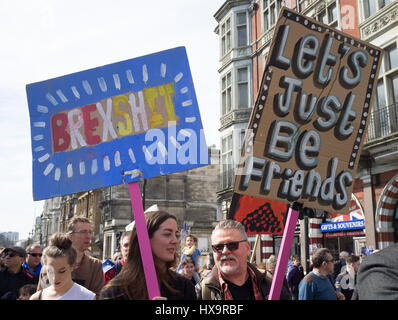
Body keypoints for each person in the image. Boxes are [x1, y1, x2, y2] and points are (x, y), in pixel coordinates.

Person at [99, 210, 196, 300]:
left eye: (176, 235)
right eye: (167, 234)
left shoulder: (184, 287)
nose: (175, 241)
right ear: (145, 239)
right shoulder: (114, 292)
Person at [198, 219, 291, 300]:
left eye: (232, 245)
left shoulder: (272, 283)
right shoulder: (201, 292)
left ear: (247, 248)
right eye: (218, 247)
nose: (225, 251)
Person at [38, 217, 104, 296]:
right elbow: (41, 295)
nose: (88, 236)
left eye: (90, 232)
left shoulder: (95, 265)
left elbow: (97, 295)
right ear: (70, 235)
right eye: (83, 232)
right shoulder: (50, 264)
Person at [30, 233, 95, 300]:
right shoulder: (36, 297)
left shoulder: (87, 297)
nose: (55, 278)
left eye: (62, 271)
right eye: (50, 271)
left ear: (72, 266)